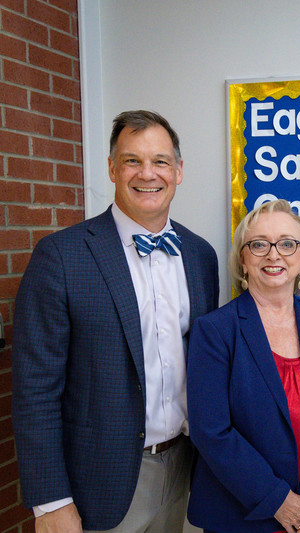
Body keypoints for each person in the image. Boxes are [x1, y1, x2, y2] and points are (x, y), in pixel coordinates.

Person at [12, 110, 219, 532]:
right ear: (111, 168)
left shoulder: (200, 256)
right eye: (132, 160)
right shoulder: (61, 257)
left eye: (160, 161)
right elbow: (35, 388)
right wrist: (50, 500)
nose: (148, 173)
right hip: (98, 480)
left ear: (178, 171)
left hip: (182, 465)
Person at [186, 199, 300, 533]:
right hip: (239, 515)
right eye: (259, 245)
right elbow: (210, 430)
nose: (274, 254)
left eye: (287, 244)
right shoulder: (214, 331)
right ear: (243, 260)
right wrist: (277, 500)